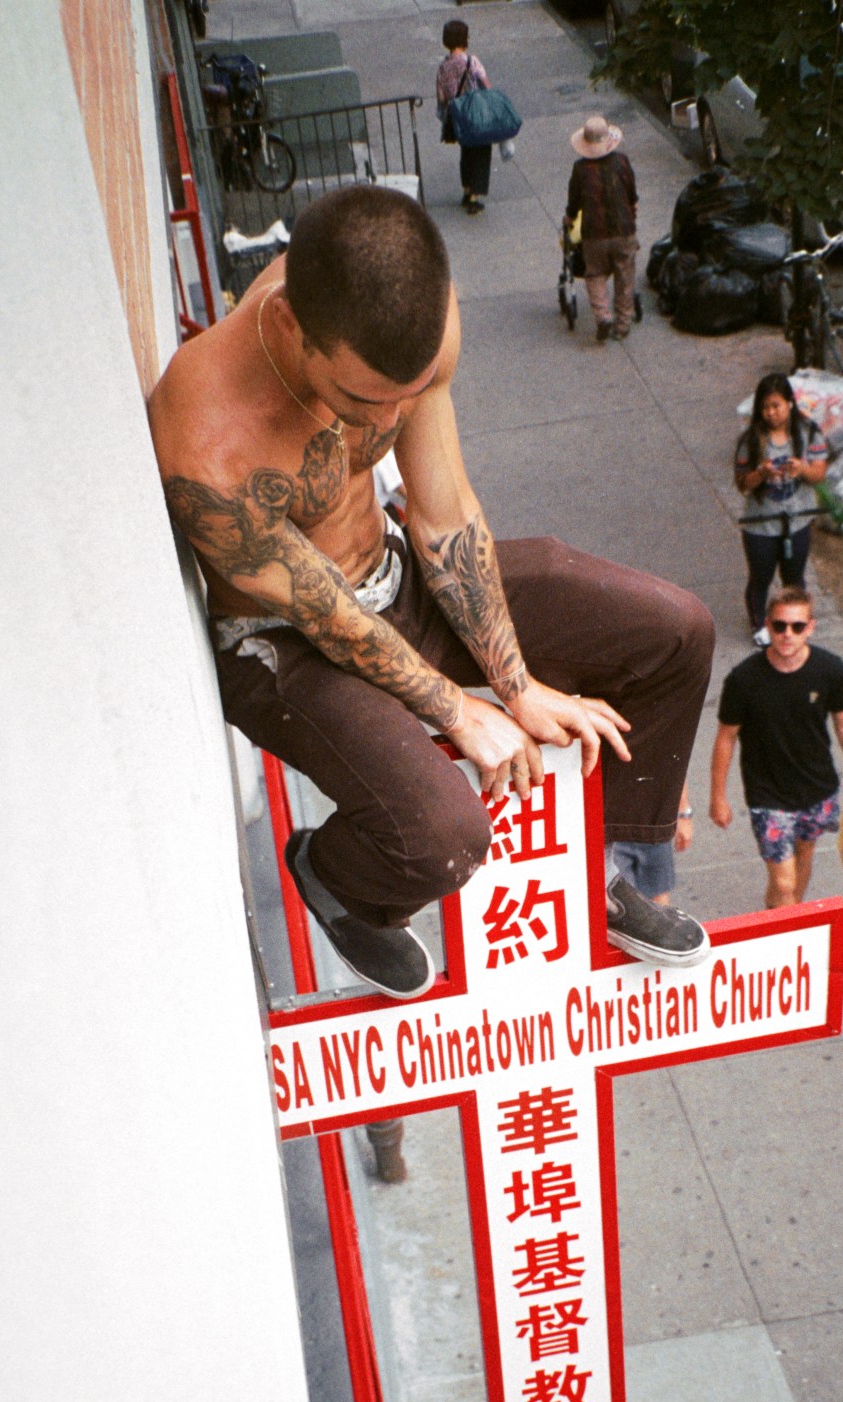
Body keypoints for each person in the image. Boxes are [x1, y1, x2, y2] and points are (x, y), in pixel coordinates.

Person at [147, 185, 714, 998]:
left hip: (393, 579)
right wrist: (457, 709)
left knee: (674, 632)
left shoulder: (413, 320)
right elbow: (325, 615)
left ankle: (605, 871)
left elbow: (442, 518)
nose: (384, 418)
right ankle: (342, 880)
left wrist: (513, 685)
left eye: (403, 396)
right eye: (359, 401)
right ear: (286, 327)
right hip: (287, 646)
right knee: (443, 836)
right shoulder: (206, 440)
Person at [709, 584, 843, 909]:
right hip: (768, 795)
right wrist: (718, 797)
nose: (788, 634)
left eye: (797, 626)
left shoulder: (829, 669)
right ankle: (784, 925)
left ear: (810, 628)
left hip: (817, 787)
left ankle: (789, 924)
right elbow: (725, 739)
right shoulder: (743, 680)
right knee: (783, 882)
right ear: (768, 626)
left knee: (805, 853)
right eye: (780, 626)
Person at [734, 372, 828, 644]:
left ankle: (795, 622)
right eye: (765, 408)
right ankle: (759, 625)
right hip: (761, 524)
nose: (771, 413)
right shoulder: (751, 440)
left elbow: (819, 473)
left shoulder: (807, 432)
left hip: (797, 520)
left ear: (789, 403)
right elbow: (743, 483)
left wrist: (803, 469)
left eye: (776, 406)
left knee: (794, 577)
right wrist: (761, 474)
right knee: (760, 576)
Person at [564, 115, 638, 342]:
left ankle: (603, 316)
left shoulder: (580, 169)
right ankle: (623, 324)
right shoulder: (622, 162)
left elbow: (574, 202)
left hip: (594, 234)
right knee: (624, 274)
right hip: (623, 229)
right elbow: (632, 193)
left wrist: (570, 217)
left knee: (594, 273)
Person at [437, 20, 491, 218]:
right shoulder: (472, 61)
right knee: (480, 153)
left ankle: (467, 190)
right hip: (475, 114)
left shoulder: (443, 67)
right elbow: (486, 85)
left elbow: (441, 98)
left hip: (458, 117)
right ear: (464, 39)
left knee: (466, 152)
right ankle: (475, 198)